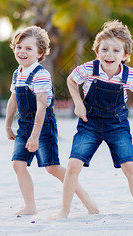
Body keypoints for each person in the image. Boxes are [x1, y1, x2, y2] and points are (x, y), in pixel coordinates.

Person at [51, 20, 133, 220]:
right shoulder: (89, 69)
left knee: (130, 166)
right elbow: (71, 80)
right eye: (105, 49)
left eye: (116, 51)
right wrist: (78, 103)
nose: (109, 54)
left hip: (117, 124)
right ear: (97, 51)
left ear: (125, 55)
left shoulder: (128, 75)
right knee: (74, 165)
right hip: (89, 122)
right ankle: (64, 211)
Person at [5, 26, 99, 216]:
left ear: (40, 53)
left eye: (28, 49)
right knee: (18, 164)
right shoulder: (18, 73)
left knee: (52, 167)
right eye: (19, 47)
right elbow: (13, 99)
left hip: (43, 127)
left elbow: (41, 108)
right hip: (24, 126)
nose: (22, 51)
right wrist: (8, 124)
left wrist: (35, 136)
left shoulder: (40, 75)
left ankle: (88, 200)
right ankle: (30, 206)